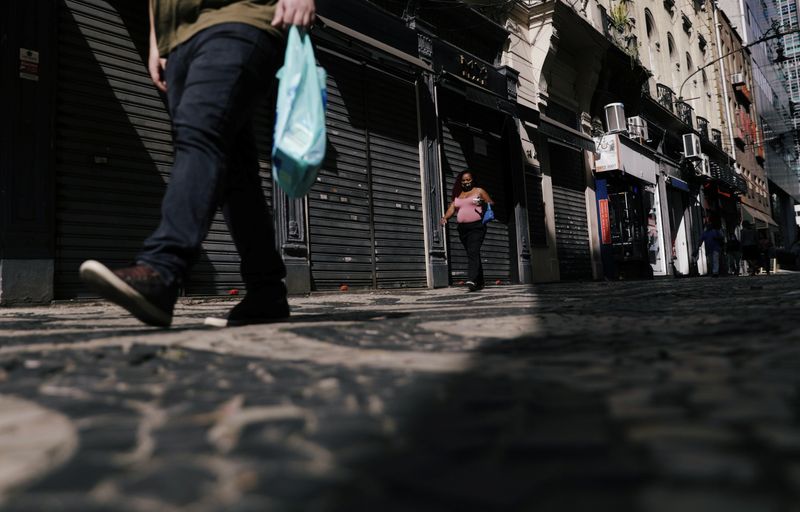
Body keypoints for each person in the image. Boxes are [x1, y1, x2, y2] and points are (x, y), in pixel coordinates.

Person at [79, 0, 316, 327]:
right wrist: (155, 42)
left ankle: (163, 269)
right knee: (235, 172)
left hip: (242, 16)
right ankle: (266, 293)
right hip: (178, 39)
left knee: (199, 133)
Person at [440, 171, 494, 292]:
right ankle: (480, 282)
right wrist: (445, 217)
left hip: (477, 227)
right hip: (463, 229)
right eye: (464, 180)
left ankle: (472, 279)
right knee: (473, 253)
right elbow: (452, 208)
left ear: (472, 180)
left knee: (473, 251)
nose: (466, 182)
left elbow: (491, 202)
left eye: (468, 180)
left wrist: (482, 202)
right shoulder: (458, 194)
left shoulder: (479, 191)